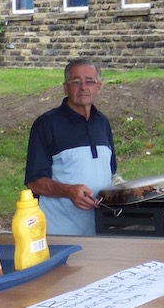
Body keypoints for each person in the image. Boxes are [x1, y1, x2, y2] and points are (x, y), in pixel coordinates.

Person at [25, 58, 117, 235]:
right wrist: (69, 191)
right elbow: (34, 182)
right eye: (76, 81)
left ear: (98, 87)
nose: (83, 87)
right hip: (59, 235)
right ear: (65, 88)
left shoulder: (102, 123)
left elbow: (110, 173)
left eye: (89, 81)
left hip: (101, 233)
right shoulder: (46, 124)